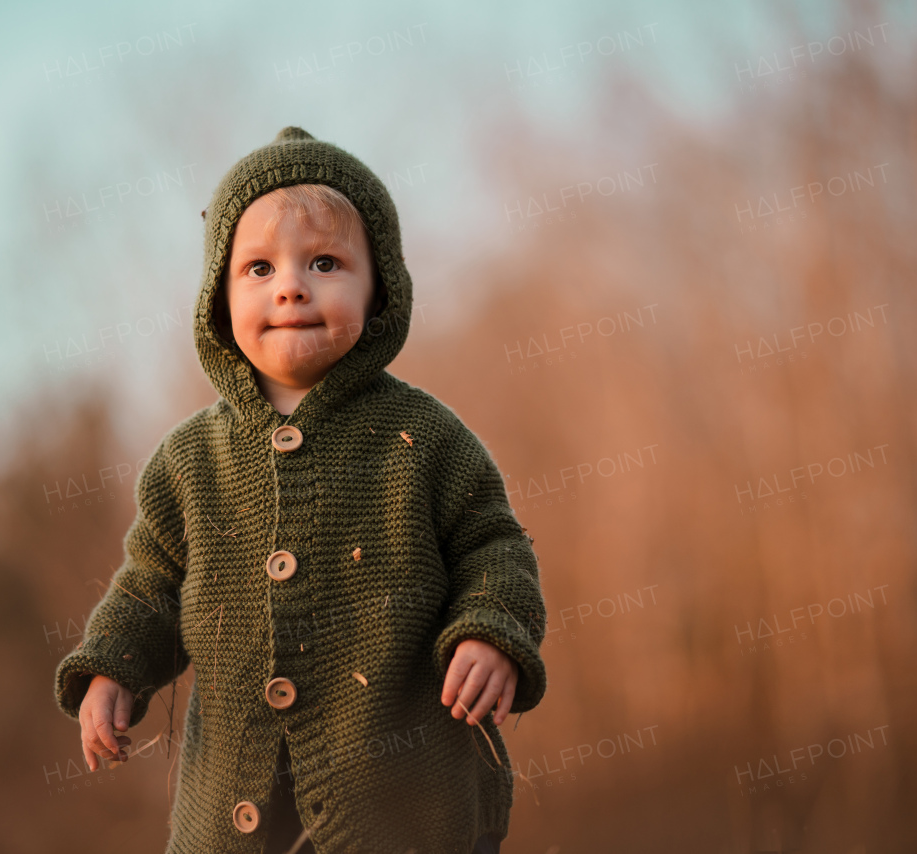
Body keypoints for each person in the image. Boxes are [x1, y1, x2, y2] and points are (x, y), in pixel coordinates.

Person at [53, 126, 547, 854]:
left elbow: (492, 545)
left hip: (399, 801)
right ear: (218, 301)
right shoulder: (190, 461)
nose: (290, 285)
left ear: (381, 289)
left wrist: (489, 630)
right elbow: (149, 585)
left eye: (325, 262)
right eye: (257, 268)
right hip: (231, 809)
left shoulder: (423, 437)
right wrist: (113, 669)